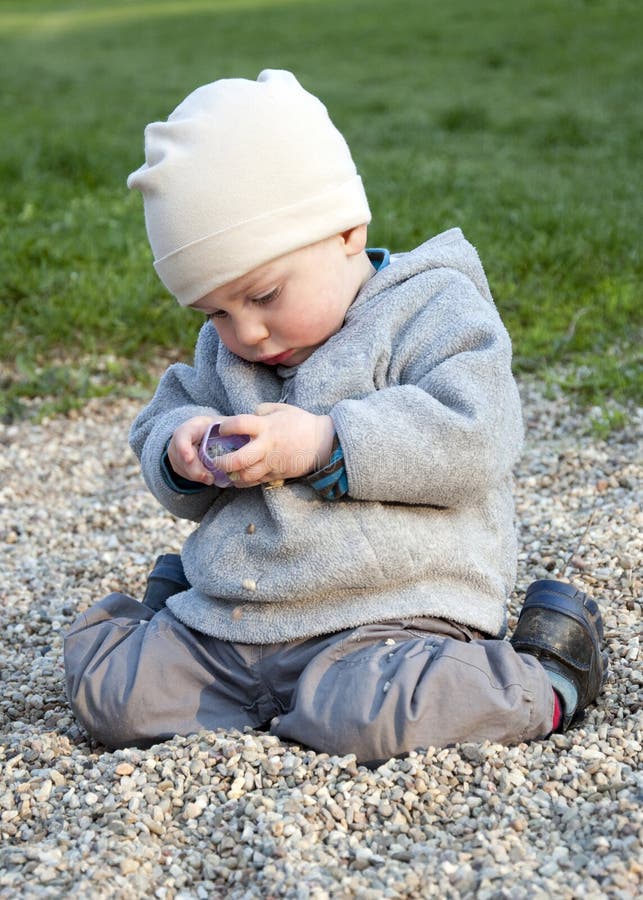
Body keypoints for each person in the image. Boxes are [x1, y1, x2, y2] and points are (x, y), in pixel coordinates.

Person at [64, 70, 606, 764]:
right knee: (115, 698)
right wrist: (183, 447)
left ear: (346, 231)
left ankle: (550, 675)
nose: (246, 333)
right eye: (215, 311)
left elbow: (476, 434)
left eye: (262, 295)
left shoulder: (430, 310)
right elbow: (168, 407)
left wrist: (325, 442)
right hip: (234, 624)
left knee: (369, 719)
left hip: (384, 620)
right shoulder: (229, 347)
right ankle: (173, 611)